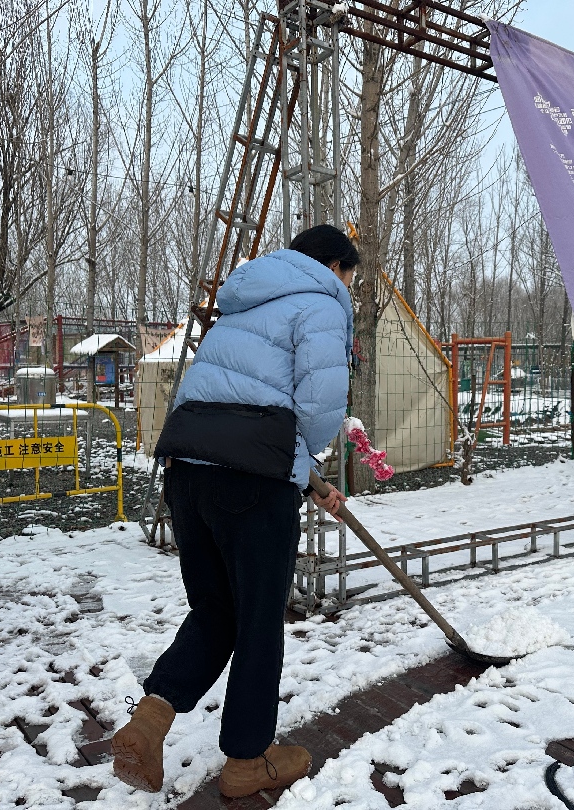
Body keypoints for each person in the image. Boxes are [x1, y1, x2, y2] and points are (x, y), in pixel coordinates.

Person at [111, 224, 358, 798]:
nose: (349, 287)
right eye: (351, 277)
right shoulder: (322, 302)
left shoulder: (244, 302)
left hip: (188, 471)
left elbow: (233, 403)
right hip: (252, 487)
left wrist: (309, 484)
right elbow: (320, 407)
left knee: (216, 609)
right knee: (258, 622)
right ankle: (248, 760)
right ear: (334, 267)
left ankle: (149, 721)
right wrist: (300, 464)